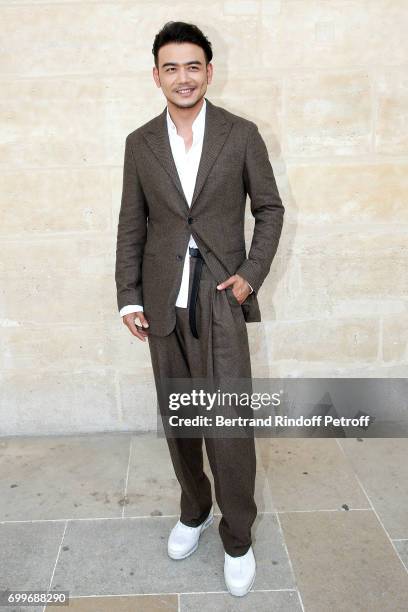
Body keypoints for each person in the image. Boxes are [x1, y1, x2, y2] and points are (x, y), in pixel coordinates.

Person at [115, 21, 284, 597]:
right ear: (156, 74)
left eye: (193, 66)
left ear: (209, 71)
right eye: (171, 67)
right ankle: (194, 509)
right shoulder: (140, 143)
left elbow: (270, 208)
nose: (182, 77)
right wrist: (128, 297)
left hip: (220, 300)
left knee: (228, 425)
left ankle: (238, 535)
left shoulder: (240, 134)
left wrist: (250, 276)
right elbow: (131, 225)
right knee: (182, 420)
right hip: (163, 303)